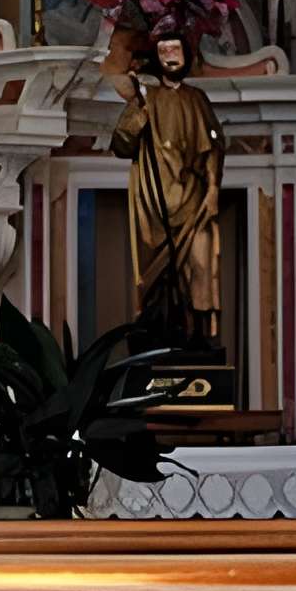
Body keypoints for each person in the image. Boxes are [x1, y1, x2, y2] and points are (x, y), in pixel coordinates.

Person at [110, 32, 223, 353]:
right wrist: (137, 111)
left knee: (200, 267)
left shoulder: (197, 99)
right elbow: (121, 145)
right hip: (153, 204)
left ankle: (197, 336)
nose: (171, 55)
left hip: (194, 201)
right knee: (154, 277)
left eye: (176, 49)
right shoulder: (147, 98)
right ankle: (155, 336)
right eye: (164, 50)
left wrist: (213, 190)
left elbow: (213, 147)